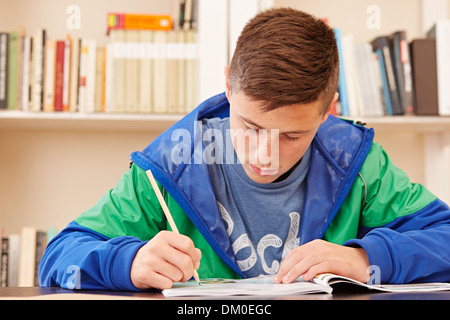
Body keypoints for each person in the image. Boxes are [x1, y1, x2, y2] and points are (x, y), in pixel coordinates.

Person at [39, 8, 450, 291]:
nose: (263, 155)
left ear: (327, 113)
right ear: (229, 88)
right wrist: (126, 263)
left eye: (292, 136)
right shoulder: (171, 163)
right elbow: (58, 257)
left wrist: (365, 259)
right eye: (250, 127)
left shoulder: (356, 162)